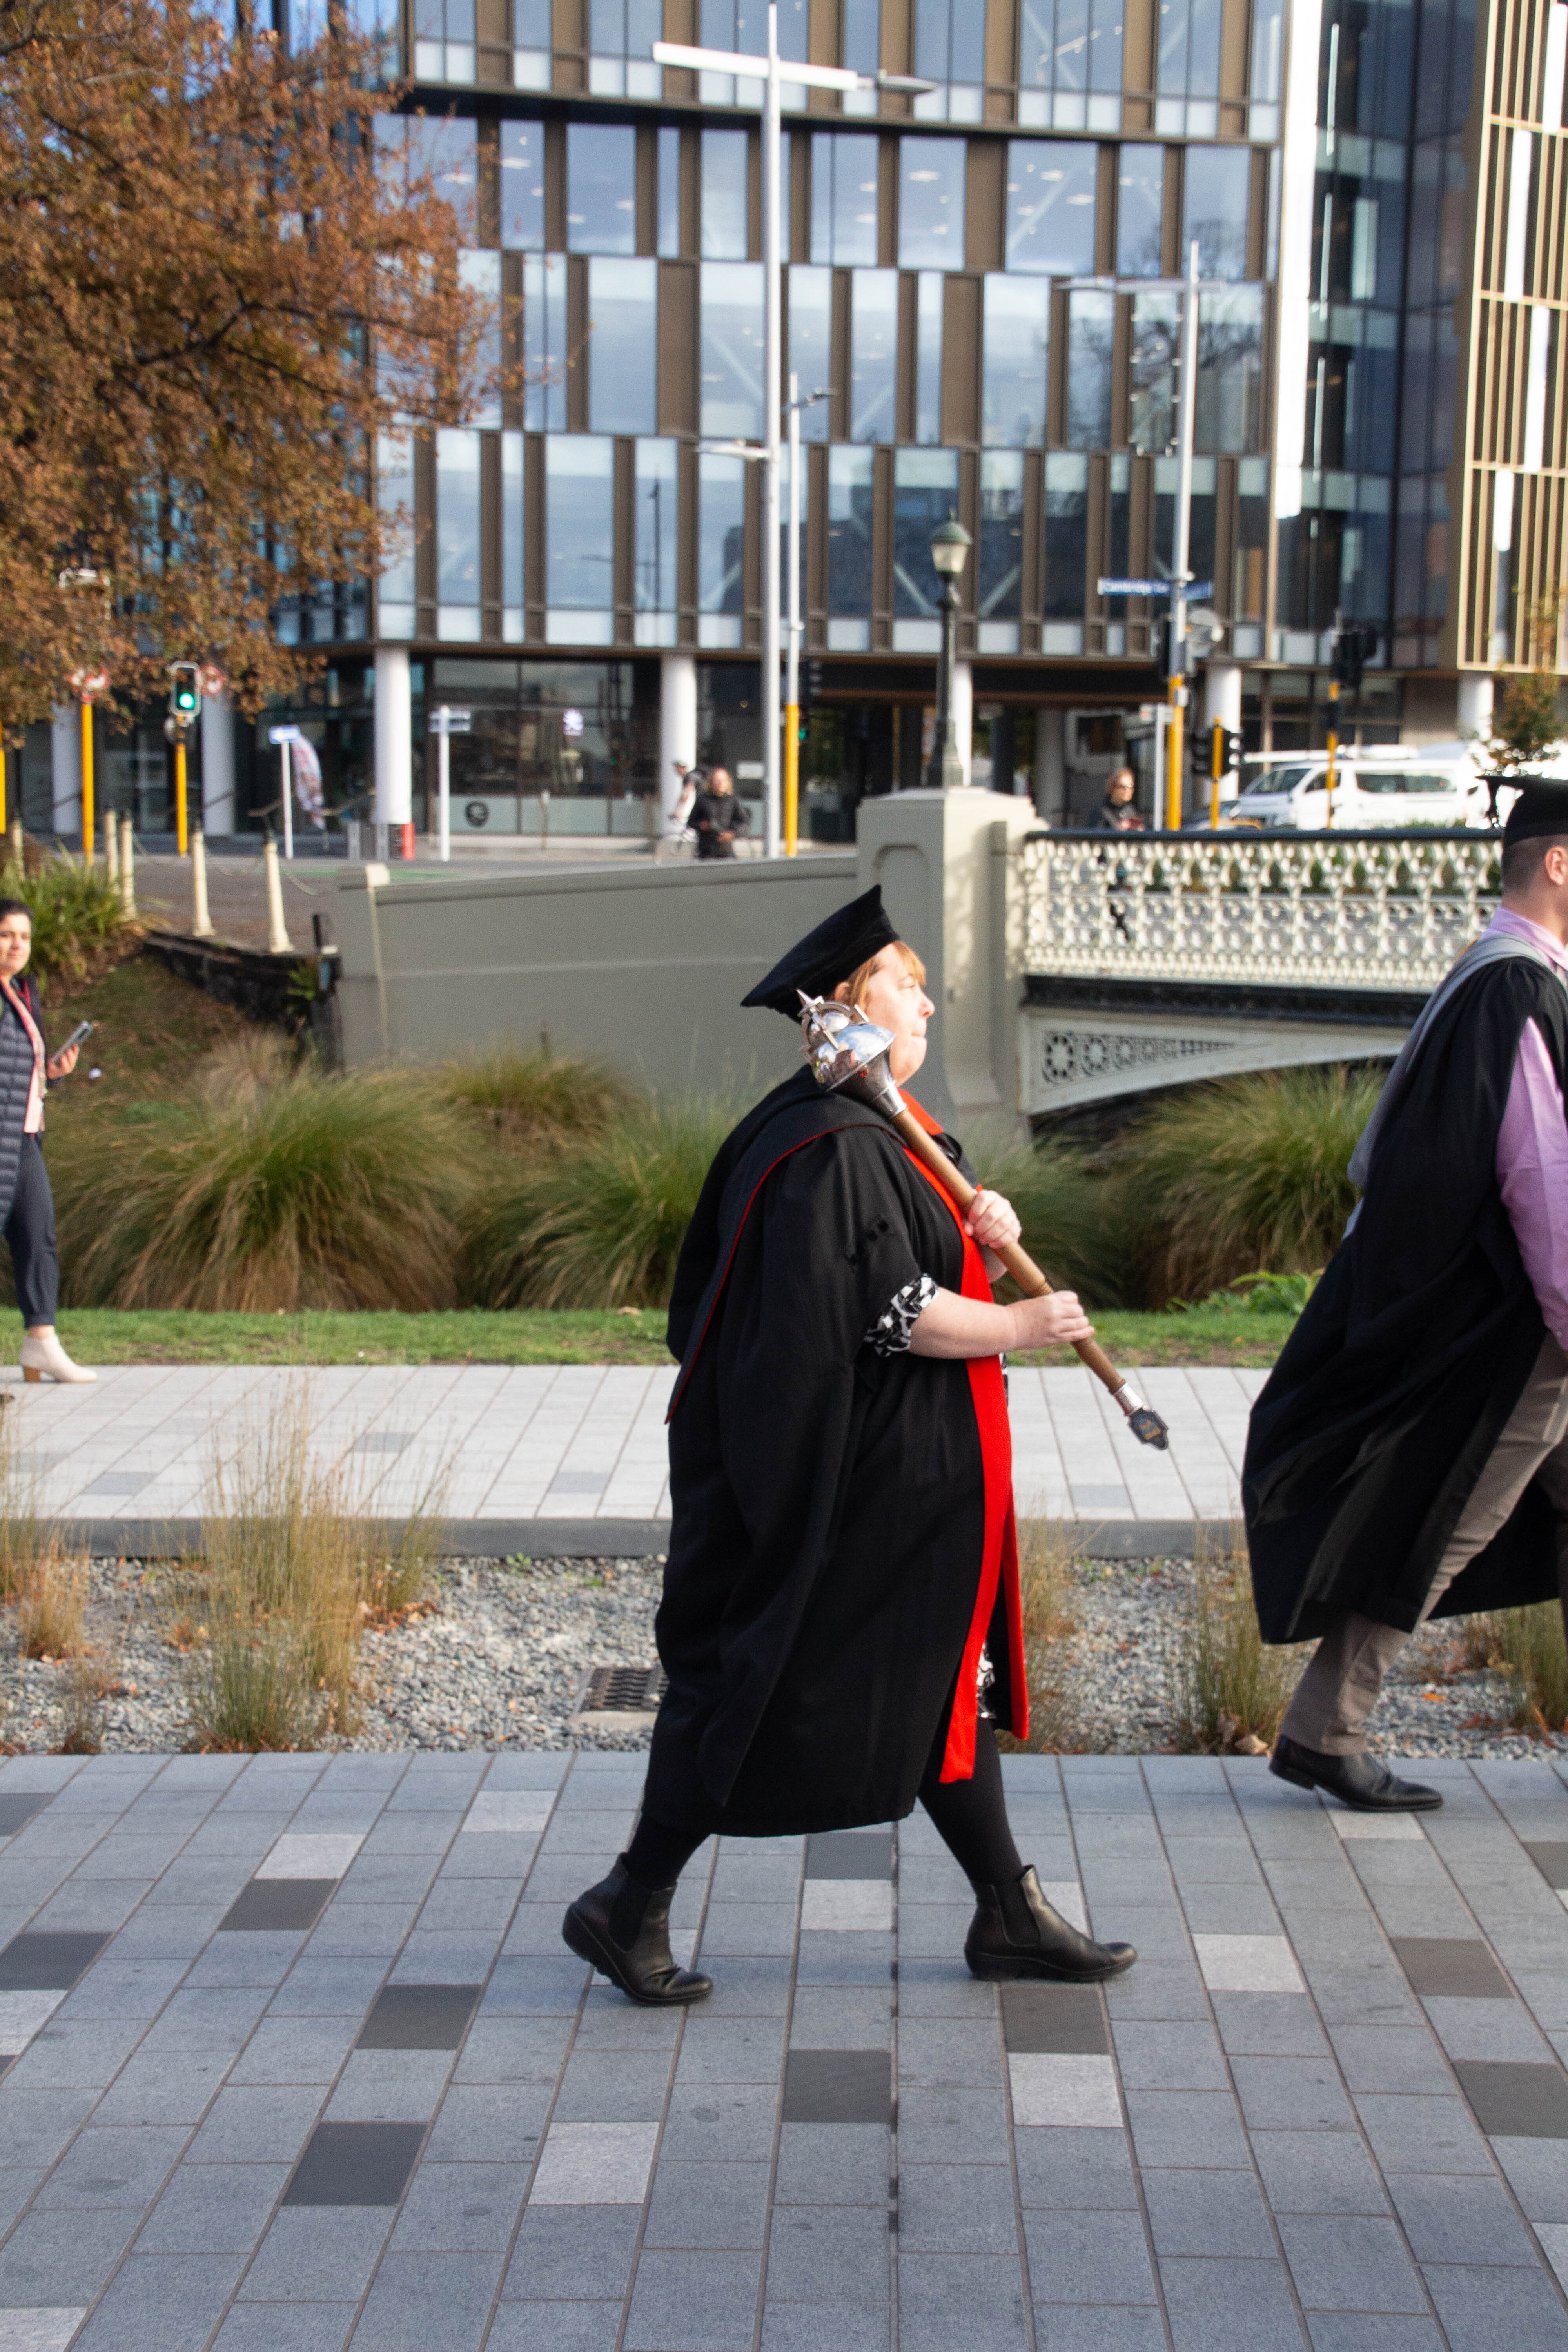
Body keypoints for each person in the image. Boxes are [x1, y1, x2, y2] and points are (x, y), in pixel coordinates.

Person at [563, 886, 1138, 2003]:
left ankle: (1006, 1910)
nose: (926, 1003)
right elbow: (892, 1307)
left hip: (895, 1480)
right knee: (765, 1677)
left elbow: (913, 1258)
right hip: (854, 1488)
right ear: (843, 1006)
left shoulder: (882, 1132)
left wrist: (987, 1226)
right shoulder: (833, 1144)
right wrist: (1021, 1322)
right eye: (904, 985)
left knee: (938, 1687)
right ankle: (626, 1901)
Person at [1244, 779, 1568, 1811]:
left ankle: (1323, 1729)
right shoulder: (1517, 989)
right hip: (1526, 1336)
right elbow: (1544, 1186)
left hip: (1523, 1325)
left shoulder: (1500, 977)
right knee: (1448, 1519)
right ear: (1560, 863)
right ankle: (1324, 1731)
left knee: (1460, 1516)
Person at [0, 899, 93, 1384]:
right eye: (6, 935)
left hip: (25, 1133)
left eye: (25, 937)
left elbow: (17, 1073)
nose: (17, 945)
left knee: (39, 1236)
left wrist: (51, 1076)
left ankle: (41, 1343)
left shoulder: (19, 994)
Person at [689, 765, 750, 860]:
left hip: (726, 852)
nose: (721, 783)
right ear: (711, 782)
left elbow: (745, 823)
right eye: (717, 780)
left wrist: (733, 834)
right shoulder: (703, 800)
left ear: (728, 783)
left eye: (724, 780)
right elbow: (691, 822)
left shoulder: (733, 801)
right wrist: (701, 825)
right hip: (705, 853)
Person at [1085, 767, 1144, 832]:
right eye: (1123, 787)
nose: (1128, 790)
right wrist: (1117, 829)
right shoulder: (1101, 811)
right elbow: (1094, 836)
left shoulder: (1130, 810)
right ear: (1113, 788)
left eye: (1131, 786)